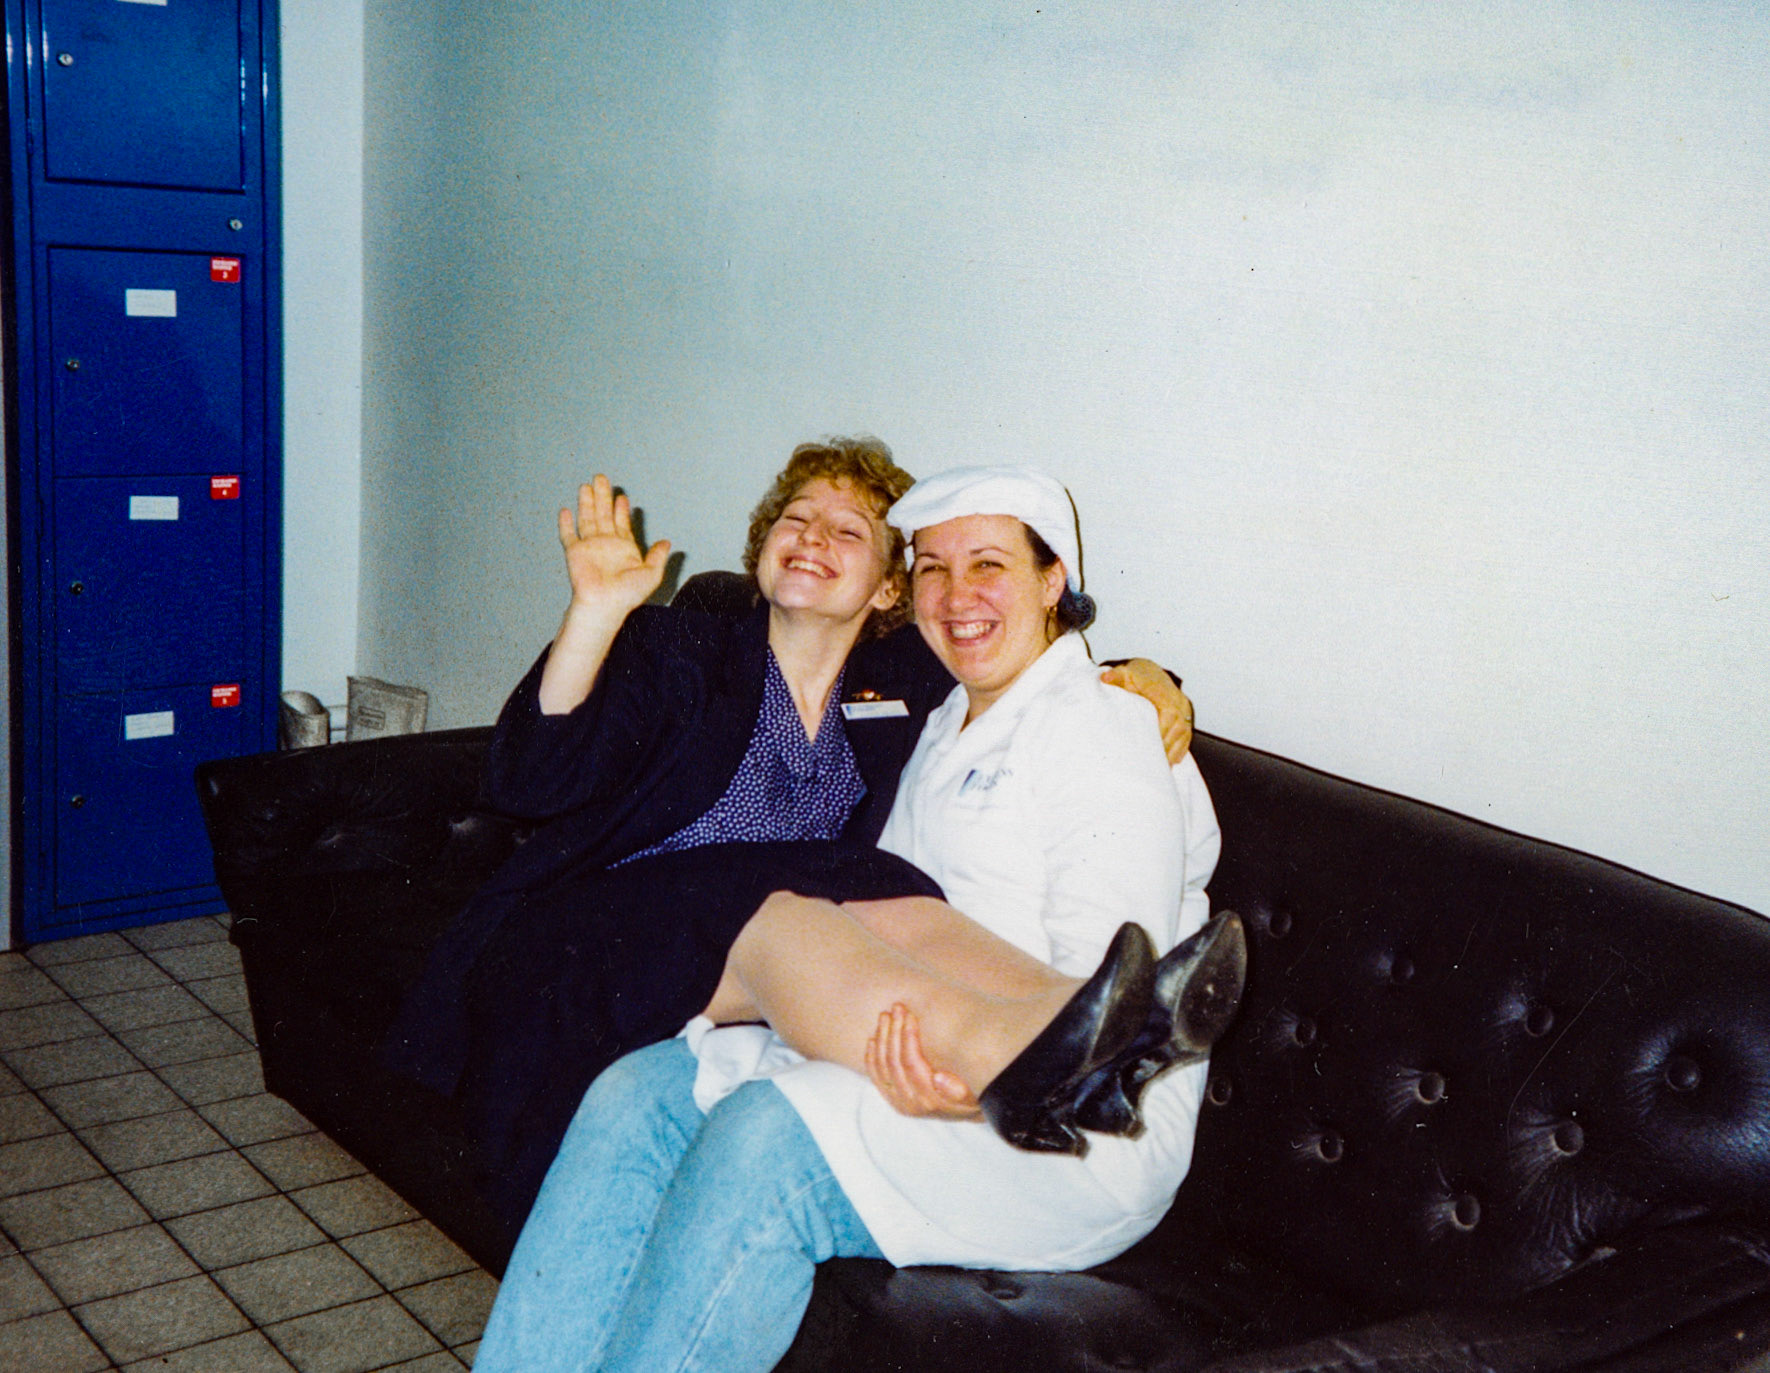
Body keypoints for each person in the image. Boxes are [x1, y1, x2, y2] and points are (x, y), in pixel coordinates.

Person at [473, 465, 1232, 1373]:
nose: (956, 595)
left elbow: (1116, 971)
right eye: (934, 568)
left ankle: (1014, 1053)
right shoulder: (930, 714)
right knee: (638, 1094)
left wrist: (1144, 684)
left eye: (988, 565)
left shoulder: (1102, 727)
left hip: (1080, 1129)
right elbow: (536, 770)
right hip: (874, 1021)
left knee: (767, 1129)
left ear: (1052, 580)